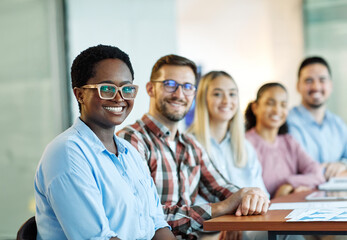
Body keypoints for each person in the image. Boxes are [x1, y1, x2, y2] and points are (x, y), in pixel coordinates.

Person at [117, 54, 269, 239]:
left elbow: (220, 188)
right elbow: (144, 214)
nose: (179, 94)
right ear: (150, 88)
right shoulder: (131, 140)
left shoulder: (191, 145)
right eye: (170, 84)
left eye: (187, 87)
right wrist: (222, 208)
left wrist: (250, 195)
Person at [34, 45, 175, 240]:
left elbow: (158, 225)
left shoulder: (129, 153)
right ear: (80, 94)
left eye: (127, 89)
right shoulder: (66, 153)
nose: (119, 98)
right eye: (107, 89)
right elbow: (98, 238)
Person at [188, 71, 268, 194]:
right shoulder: (189, 145)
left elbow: (262, 194)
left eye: (232, 94)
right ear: (203, 99)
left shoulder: (246, 146)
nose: (226, 101)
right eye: (217, 94)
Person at [245, 82, 325, 199]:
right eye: (270, 103)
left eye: (283, 105)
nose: (277, 110)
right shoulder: (245, 143)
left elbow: (317, 174)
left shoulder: (289, 141)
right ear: (255, 107)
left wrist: (288, 184)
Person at [287, 56, 347, 180]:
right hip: (300, 195)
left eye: (322, 80)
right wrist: (328, 171)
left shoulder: (338, 124)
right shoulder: (286, 123)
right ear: (298, 86)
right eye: (308, 80)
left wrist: (342, 164)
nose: (316, 86)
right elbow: (293, 170)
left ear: (331, 85)